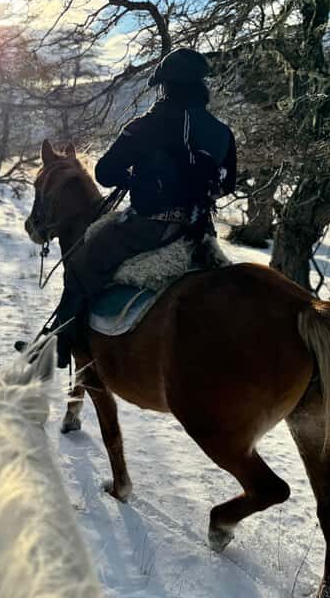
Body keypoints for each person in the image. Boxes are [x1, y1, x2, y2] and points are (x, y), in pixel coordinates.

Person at [38, 48, 237, 368]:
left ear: (165, 86)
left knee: (80, 265)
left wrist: (135, 179)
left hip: (148, 227)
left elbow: (104, 172)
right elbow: (228, 184)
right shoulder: (222, 132)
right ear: (202, 86)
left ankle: (62, 344)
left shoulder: (145, 125)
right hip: (198, 231)